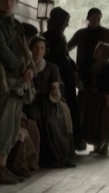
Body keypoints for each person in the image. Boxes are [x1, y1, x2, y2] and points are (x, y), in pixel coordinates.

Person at [0, 0, 34, 184]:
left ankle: (4, 167)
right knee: (3, 125)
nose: (8, 2)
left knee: (12, 126)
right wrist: (21, 67)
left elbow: (24, 49)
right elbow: (2, 49)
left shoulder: (17, 25)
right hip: (2, 79)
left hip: (18, 80)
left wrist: (29, 68)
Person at [68, 8, 109, 150]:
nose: (95, 20)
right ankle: (82, 139)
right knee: (83, 111)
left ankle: (102, 142)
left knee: (102, 116)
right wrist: (73, 67)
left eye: (98, 18)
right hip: (85, 76)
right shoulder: (81, 34)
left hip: (103, 80)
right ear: (88, 18)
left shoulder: (107, 33)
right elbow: (66, 49)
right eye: (93, 18)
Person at [25, 36, 76, 168]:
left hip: (48, 100)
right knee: (33, 117)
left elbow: (56, 84)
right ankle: (35, 157)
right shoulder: (25, 66)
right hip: (30, 101)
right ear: (30, 49)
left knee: (52, 120)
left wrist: (55, 88)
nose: (38, 51)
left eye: (42, 48)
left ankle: (58, 157)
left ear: (45, 51)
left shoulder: (51, 67)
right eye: (36, 48)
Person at [43, 7, 81, 155]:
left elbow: (66, 56)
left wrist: (75, 68)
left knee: (71, 109)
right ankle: (64, 146)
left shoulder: (60, 36)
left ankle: (72, 144)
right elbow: (55, 58)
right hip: (59, 78)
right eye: (66, 22)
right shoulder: (49, 37)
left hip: (67, 76)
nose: (67, 24)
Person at [82, 42, 109, 155]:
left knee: (105, 122)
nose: (95, 52)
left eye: (98, 51)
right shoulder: (94, 67)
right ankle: (97, 145)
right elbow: (88, 81)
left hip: (104, 98)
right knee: (95, 122)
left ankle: (106, 146)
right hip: (94, 99)